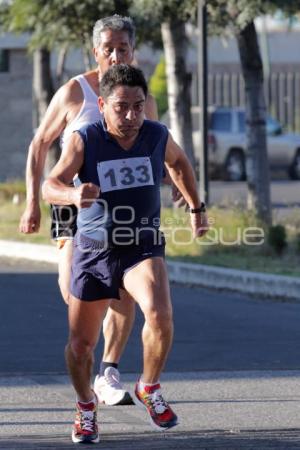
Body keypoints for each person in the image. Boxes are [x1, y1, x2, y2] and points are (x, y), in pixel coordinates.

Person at [19, 15, 182, 406]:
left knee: (125, 289)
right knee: (74, 291)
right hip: (74, 204)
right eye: (107, 48)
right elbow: (39, 145)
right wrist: (32, 203)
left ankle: (108, 370)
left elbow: (156, 149)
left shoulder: (142, 96)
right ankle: (89, 357)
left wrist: (179, 189)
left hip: (124, 215)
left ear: (132, 50)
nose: (115, 54)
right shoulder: (74, 93)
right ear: (96, 52)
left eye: (122, 48)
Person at [42, 63, 208, 444]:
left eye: (137, 106)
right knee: (81, 346)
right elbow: (52, 183)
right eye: (121, 107)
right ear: (102, 104)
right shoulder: (85, 139)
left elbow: (179, 163)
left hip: (141, 244)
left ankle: (149, 387)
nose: (131, 116)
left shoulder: (155, 134)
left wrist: (197, 207)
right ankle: (86, 406)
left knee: (160, 313)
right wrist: (71, 194)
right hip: (95, 249)